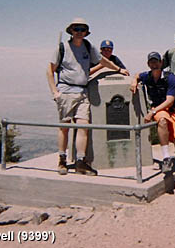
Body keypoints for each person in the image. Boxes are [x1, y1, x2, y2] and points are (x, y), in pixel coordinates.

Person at [47, 18, 129, 176]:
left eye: (82, 29)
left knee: (83, 127)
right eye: (76, 29)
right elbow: (50, 70)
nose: (79, 32)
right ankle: (62, 160)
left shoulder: (88, 46)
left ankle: (80, 162)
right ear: (71, 30)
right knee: (64, 127)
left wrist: (118, 69)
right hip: (66, 91)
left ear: (86, 32)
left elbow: (102, 61)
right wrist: (55, 93)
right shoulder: (62, 48)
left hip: (83, 92)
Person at [130, 52, 175, 193]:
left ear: (161, 63)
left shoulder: (170, 78)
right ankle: (166, 158)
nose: (154, 64)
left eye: (156, 61)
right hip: (160, 110)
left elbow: (170, 100)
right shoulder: (147, 76)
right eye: (151, 62)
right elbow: (138, 75)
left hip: (174, 109)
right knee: (162, 121)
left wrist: (152, 112)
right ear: (148, 64)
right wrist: (134, 81)